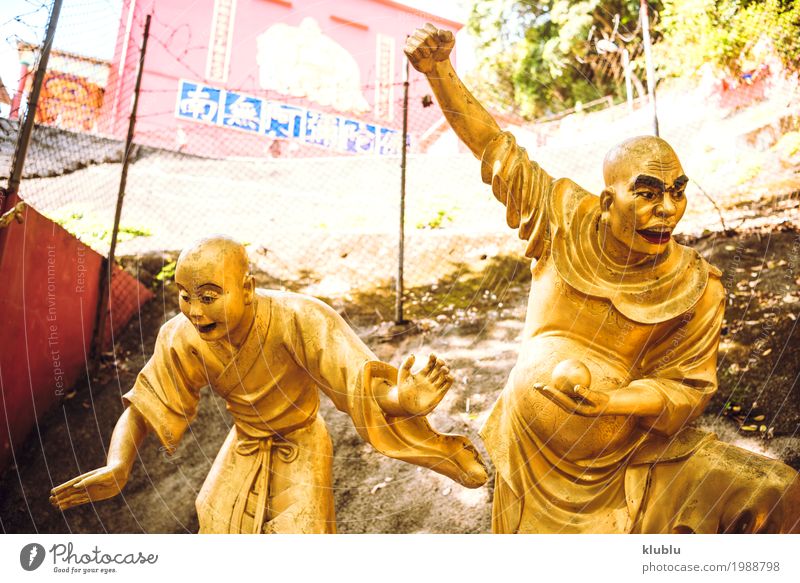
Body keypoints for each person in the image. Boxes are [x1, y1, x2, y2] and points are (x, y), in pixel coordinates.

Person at [405, 23, 800, 534]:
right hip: (535, 463)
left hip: (636, 460)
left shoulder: (698, 285)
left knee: (778, 492)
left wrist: (614, 402)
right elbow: (495, 149)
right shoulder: (561, 219)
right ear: (606, 201)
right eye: (648, 192)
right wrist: (438, 71)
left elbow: (687, 389)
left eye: (677, 191)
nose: (667, 210)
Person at [50, 235, 487, 533]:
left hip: (302, 439)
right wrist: (119, 464)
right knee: (215, 520)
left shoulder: (300, 318)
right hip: (245, 442)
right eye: (184, 295)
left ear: (248, 288)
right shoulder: (181, 336)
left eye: (208, 296)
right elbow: (147, 404)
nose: (194, 310)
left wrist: (403, 399)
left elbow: (356, 383)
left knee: (300, 537)